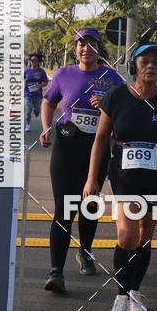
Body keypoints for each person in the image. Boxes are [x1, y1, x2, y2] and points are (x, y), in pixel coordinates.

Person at [83, 42, 157, 311]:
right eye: (145, 61)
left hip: (156, 179)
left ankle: (134, 293)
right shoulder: (117, 97)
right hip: (123, 177)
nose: (151, 66)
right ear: (134, 66)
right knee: (127, 235)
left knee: (144, 236)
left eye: (156, 62)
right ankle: (119, 299)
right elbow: (101, 139)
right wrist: (92, 178)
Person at [40, 28, 124, 294]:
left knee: (89, 204)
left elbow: (125, 111)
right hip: (67, 145)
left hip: (97, 148)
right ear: (76, 48)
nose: (86, 49)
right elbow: (48, 102)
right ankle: (56, 272)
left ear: (100, 49)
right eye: (81, 44)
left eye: (91, 44)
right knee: (64, 208)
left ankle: (86, 251)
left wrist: (107, 105)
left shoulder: (112, 78)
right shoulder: (64, 74)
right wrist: (46, 127)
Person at [24, 52, 49, 132]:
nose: (33, 62)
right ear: (30, 61)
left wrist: (38, 86)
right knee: (28, 109)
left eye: (35, 60)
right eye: (32, 60)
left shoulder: (41, 72)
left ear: (38, 62)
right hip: (28, 94)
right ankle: (27, 125)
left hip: (38, 95)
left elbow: (45, 83)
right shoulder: (27, 71)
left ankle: (36, 110)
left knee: (37, 110)